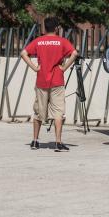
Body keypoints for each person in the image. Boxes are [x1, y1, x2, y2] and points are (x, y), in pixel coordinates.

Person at [19, 17, 77, 152]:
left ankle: (35, 141)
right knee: (58, 112)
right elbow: (74, 53)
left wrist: (34, 67)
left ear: (45, 28)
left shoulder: (39, 41)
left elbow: (23, 53)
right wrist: (64, 67)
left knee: (39, 111)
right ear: (56, 28)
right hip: (57, 80)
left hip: (41, 80)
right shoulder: (62, 41)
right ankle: (58, 142)